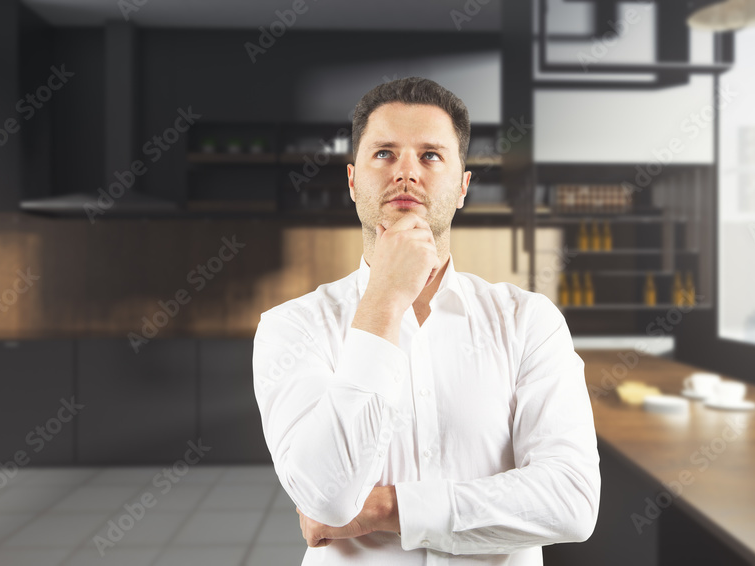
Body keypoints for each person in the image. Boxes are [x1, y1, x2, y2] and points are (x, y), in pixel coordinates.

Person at [252, 76, 600, 565]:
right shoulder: (291, 328)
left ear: (462, 187)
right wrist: (385, 299)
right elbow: (326, 498)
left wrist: (385, 507)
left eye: (431, 155)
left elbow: (571, 501)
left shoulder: (528, 321)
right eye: (384, 153)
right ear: (352, 181)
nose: (406, 172)